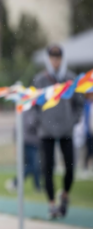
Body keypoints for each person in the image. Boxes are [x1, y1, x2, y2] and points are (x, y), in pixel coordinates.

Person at [33, 45, 84, 219]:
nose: (55, 61)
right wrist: (40, 121)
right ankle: (52, 204)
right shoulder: (40, 80)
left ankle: (65, 195)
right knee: (47, 168)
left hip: (66, 129)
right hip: (46, 131)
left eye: (58, 58)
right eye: (52, 58)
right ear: (48, 59)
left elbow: (79, 103)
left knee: (70, 167)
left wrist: (73, 120)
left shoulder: (70, 78)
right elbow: (34, 104)